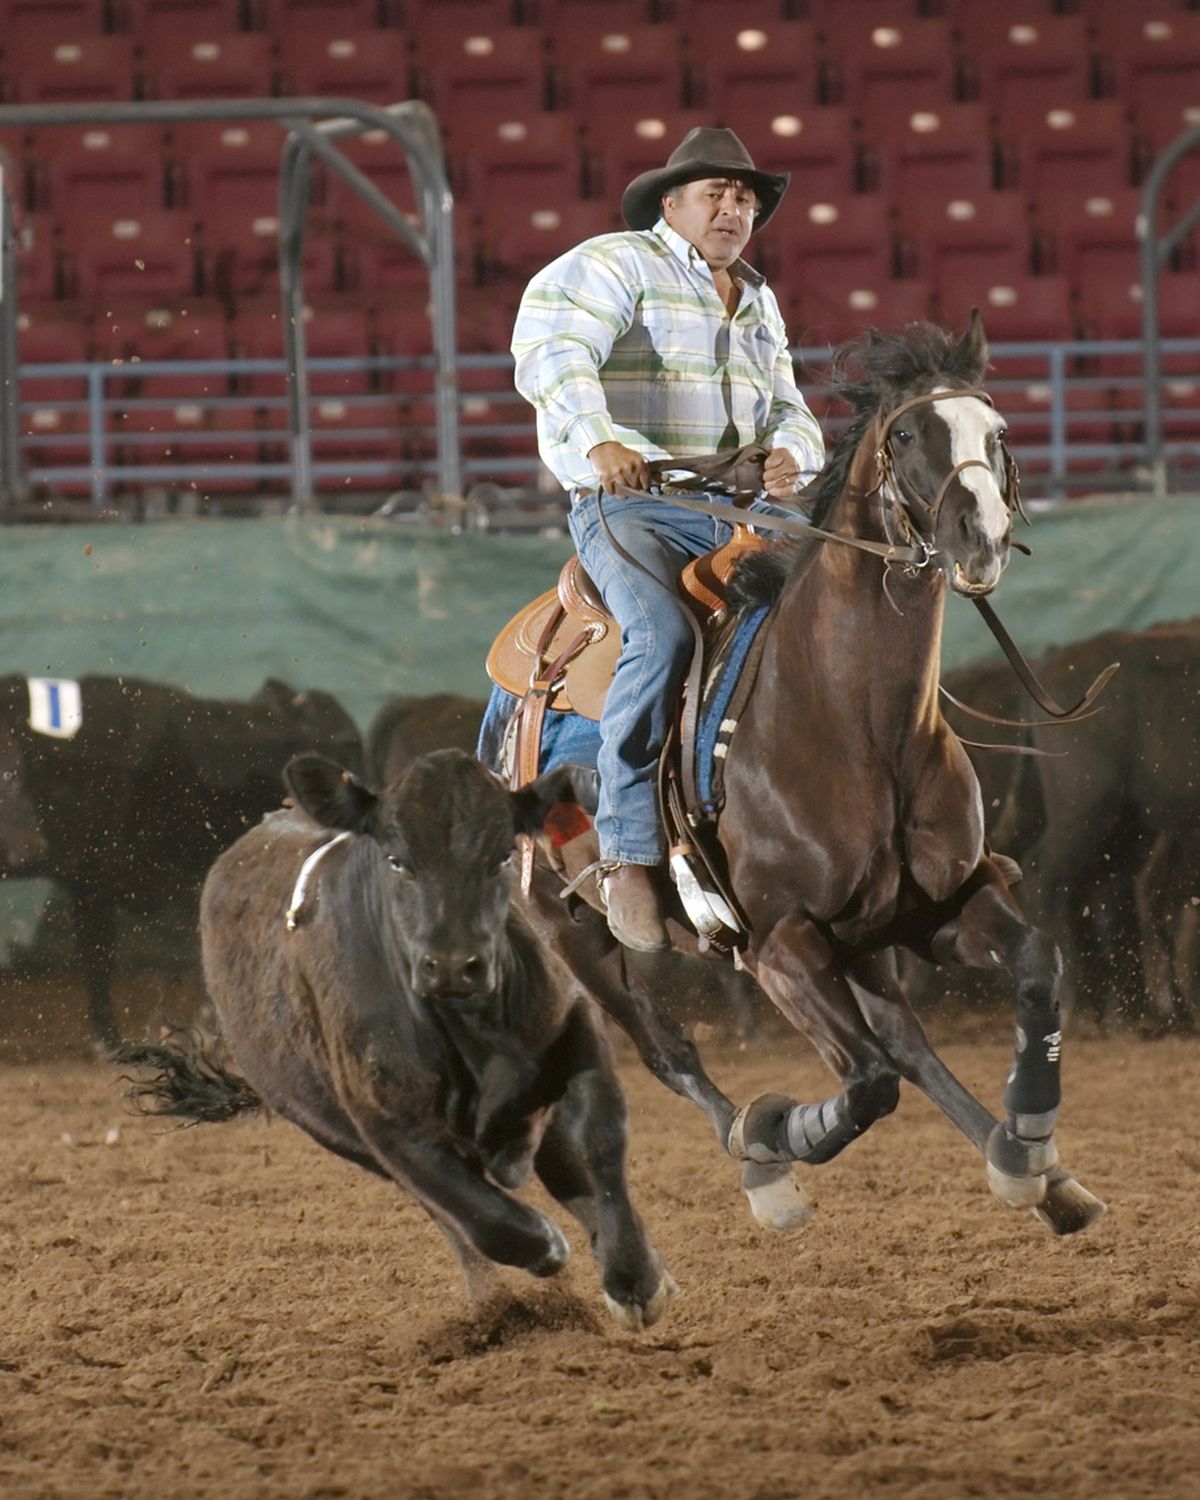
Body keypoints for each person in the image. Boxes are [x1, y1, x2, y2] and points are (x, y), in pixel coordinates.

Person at [511, 127, 825, 953]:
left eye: (745, 197)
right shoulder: (613, 264)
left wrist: (798, 450)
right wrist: (596, 437)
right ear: (670, 203)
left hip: (746, 512)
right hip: (634, 505)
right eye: (715, 193)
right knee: (659, 629)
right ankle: (627, 850)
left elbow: (788, 402)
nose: (733, 208)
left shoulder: (757, 299)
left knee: (850, 614)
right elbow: (553, 351)